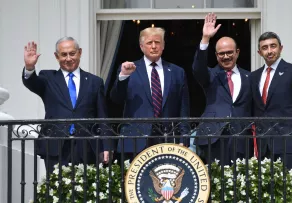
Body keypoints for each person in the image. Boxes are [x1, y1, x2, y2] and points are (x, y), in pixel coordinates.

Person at [22, 37, 112, 172]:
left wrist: (107, 145)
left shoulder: (95, 81)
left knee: (87, 190)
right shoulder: (48, 77)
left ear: (79, 52)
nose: (68, 58)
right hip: (56, 144)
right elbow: (32, 82)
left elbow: (102, 115)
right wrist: (29, 67)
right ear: (56, 56)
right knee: (56, 189)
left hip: (87, 145)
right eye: (64, 54)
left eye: (72, 53)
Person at [110, 27, 190, 159]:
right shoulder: (129, 69)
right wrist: (123, 76)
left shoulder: (177, 72)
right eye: (149, 43)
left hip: (167, 139)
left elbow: (183, 108)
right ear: (141, 46)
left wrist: (184, 137)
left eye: (157, 42)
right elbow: (116, 99)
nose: (154, 46)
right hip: (135, 140)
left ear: (163, 46)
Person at [192, 13, 253, 165]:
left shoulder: (250, 77)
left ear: (237, 52)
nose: (225, 56)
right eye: (221, 53)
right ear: (216, 55)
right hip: (213, 137)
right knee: (215, 181)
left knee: (240, 182)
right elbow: (197, 68)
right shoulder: (210, 75)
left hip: (241, 138)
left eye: (229, 52)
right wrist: (205, 39)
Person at [250, 31, 292, 170]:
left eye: (273, 46)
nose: (269, 51)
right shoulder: (254, 77)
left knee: (289, 188)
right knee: (265, 189)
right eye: (265, 48)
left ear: (281, 48)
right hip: (263, 144)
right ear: (259, 52)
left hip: (288, 140)